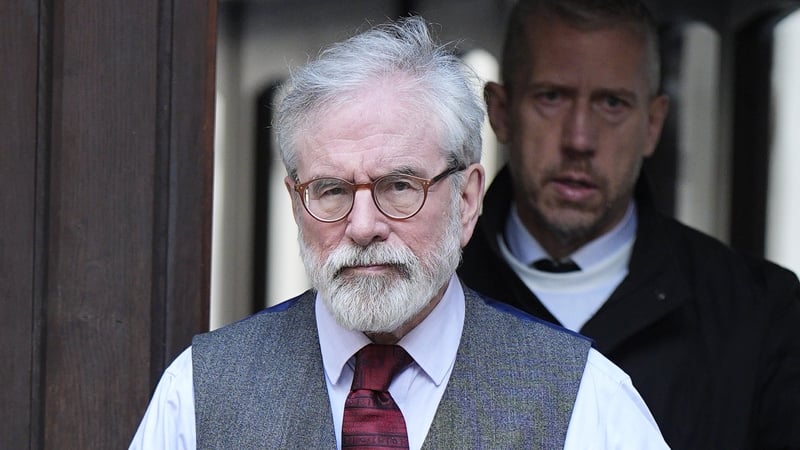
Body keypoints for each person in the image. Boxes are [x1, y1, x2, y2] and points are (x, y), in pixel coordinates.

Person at [130, 15, 668, 449]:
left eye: (399, 187)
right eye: (332, 191)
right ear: (297, 203)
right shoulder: (200, 394)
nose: (363, 227)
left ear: (466, 199)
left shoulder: (585, 399)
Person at [458, 0, 800, 448]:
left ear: (653, 124)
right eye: (552, 97)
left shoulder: (759, 313)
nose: (579, 138)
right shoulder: (434, 291)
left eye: (612, 103)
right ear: (500, 112)